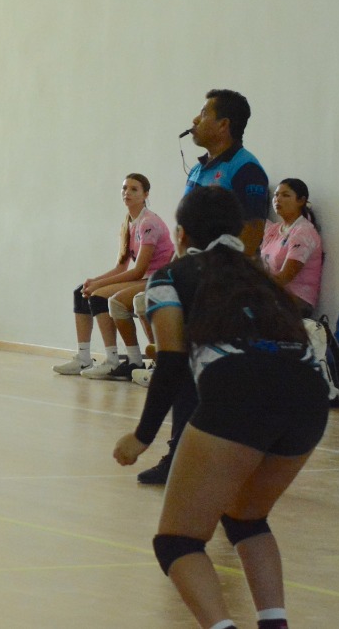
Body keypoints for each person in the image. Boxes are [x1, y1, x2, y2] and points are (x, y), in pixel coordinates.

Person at [113, 186, 325, 629]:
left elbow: (170, 360)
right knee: (248, 518)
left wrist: (142, 436)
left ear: (181, 232)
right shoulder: (263, 276)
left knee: (177, 542)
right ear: (239, 231)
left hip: (240, 392)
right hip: (309, 396)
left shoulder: (169, 278)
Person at [140, 88, 271, 485]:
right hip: (192, 282)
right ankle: (182, 454)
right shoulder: (199, 169)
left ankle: (224, 459)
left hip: (223, 290)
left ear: (224, 124)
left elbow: (250, 236)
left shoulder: (246, 170)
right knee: (185, 376)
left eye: (202, 114)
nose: (194, 121)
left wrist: (216, 283)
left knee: (215, 379)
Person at [53, 174, 173, 380]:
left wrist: (99, 285)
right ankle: (83, 357)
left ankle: (114, 360)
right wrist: (94, 281)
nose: (127, 192)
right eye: (124, 188)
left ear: (146, 194)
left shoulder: (148, 223)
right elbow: (121, 267)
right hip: (142, 278)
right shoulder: (129, 221)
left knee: (100, 296)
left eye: (134, 189)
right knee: (81, 291)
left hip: (156, 279)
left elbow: (138, 270)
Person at [260, 179, 323, 318]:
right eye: (276, 195)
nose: (278, 199)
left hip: (297, 300)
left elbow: (284, 278)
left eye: (285, 195)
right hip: (273, 294)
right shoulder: (274, 229)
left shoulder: (303, 232)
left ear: (301, 201)